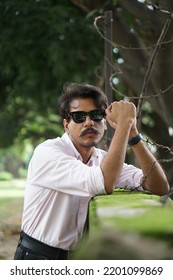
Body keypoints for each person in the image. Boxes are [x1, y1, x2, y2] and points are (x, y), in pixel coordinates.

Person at [14, 82, 169, 260]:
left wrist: (133, 134)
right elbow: (103, 181)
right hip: (38, 257)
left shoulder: (103, 160)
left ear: (105, 123)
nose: (89, 122)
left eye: (96, 115)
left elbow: (159, 187)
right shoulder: (47, 152)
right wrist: (124, 124)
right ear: (66, 125)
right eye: (79, 117)